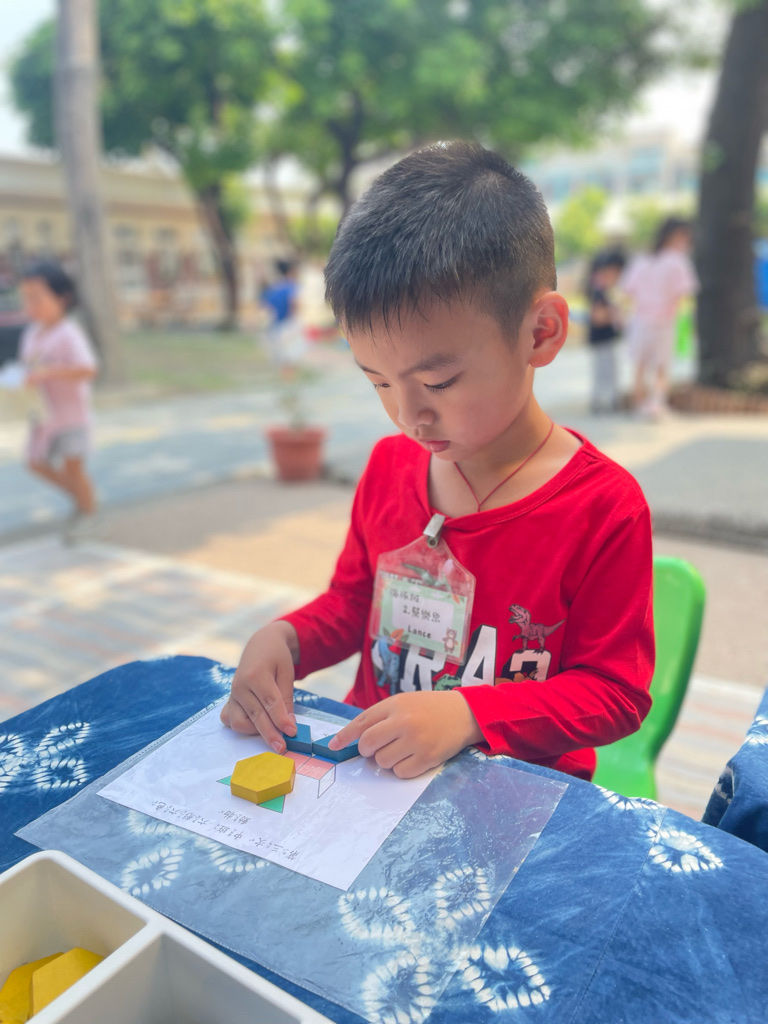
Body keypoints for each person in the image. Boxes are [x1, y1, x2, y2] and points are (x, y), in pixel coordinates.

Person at [222, 142, 654, 783]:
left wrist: (471, 715)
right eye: (378, 382)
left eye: (439, 383)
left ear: (541, 333)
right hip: (371, 773)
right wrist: (286, 638)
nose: (408, 416)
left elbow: (614, 692)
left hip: (513, 794)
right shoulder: (389, 467)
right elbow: (353, 602)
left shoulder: (603, 508)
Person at [18, 262, 99, 540]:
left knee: (73, 468)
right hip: (42, 417)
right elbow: (29, 369)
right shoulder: (31, 334)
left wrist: (47, 373)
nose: (30, 305)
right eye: (26, 298)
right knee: (35, 462)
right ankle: (85, 500)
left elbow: (87, 369)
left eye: (37, 298)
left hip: (72, 417)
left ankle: (87, 514)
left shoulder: (68, 333)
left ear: (62, 298)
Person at [621, 217, 698, 419]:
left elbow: (627, 292)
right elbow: (685, 295)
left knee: (640, 366)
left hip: (640, 320)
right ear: (676, 236)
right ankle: (657, 404)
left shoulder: (641, 260)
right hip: (665, 321)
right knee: (661, 367)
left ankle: (639, 406)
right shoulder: (677, 261)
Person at [585, 248, 626, 414]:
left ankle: (608, 400)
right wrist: (614, 314)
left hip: (608, 338)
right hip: (601, 338)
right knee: (604, 372)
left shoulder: (606, 291)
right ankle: (603, 401)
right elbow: (597, 316)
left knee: (609, 371)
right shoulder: (599, 291)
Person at [260, 259, 307, 378]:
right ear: (290, 271)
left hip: (276, 325)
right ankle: (290, 382)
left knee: (281, 357)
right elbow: (294, 304)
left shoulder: (273, 288)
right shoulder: (291, 286)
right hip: (289, 324)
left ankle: (285, 380)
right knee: (291, 357)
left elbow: (266, 307)